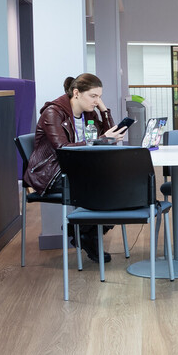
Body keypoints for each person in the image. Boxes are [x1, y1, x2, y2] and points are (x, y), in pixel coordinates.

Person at [24, 74, 128, 262]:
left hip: (79, 169)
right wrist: (102, 139)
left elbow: (110, 135)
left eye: (99, 97)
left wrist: (103, 109)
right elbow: (62, 148)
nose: (97, 101)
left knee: (122, 184)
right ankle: (86, 233)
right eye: (93, 96)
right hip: (52, 172)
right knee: (104, 189)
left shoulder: (89, 113)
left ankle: (80, 229)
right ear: (76, 93)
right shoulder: (53, 113)